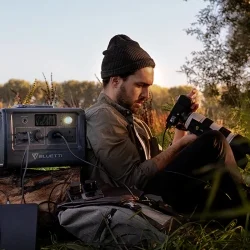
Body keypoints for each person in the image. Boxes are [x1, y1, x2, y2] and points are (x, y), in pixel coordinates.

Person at [85, 34, 247, 215]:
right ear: (115, 81)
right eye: (140, 85)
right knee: (213, 141)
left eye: (148, 87)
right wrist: (184, 144)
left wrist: (181, 127)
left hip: (156, 192)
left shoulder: (134, 121)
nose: (146, 95)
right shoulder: (102, 116)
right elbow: (132, 181)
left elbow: (160, 162)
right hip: (137, 199)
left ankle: (243, 207)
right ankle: (245, 203)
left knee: (219, 200)